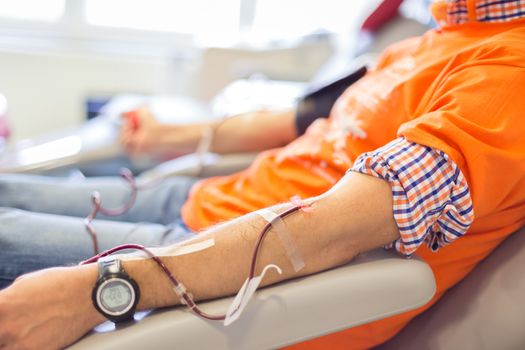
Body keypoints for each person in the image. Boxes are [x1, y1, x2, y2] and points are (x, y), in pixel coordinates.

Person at [1, 0, 524, 348]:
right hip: (207, 202)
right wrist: (171, 137)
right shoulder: (430, 41)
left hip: (222, 262)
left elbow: (330, 231)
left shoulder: (509, 77)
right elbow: (295, 122)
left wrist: (97, 288)